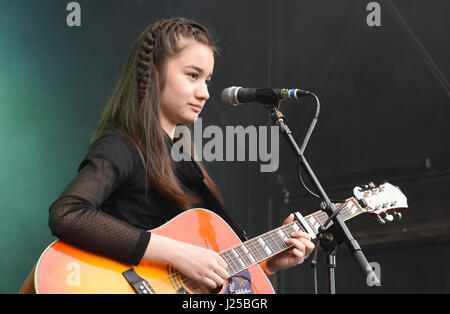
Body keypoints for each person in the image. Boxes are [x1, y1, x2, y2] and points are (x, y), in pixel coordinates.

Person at [48, 17, 315, 292]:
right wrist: (178, 253)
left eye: (208, 80)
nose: (205, 93)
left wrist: (268, 264)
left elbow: (191, 279)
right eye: (192, 75)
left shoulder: (182, 158)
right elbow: (68, 214)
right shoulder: (122, 145)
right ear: (154, 73)